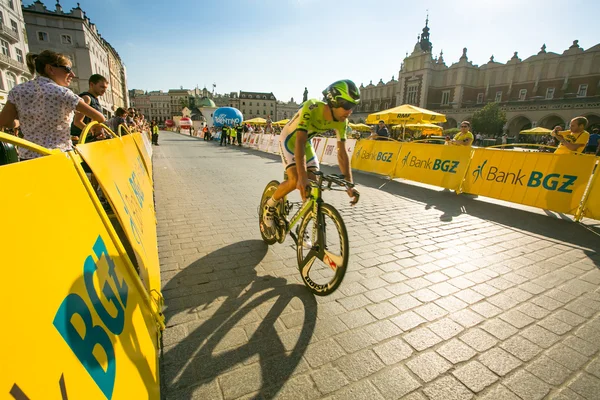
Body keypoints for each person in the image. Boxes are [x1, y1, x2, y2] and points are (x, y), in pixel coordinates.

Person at [262, 80, 360, 228]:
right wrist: (302, 177)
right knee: (296, 180)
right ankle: (269, 206)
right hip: (290, 140)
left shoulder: (342, 122)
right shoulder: (312, 107)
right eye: (347, 106)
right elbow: (299, 142)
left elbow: (342, 152)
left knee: (314, 183)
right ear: (333, 101)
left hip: (306, 143)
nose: (350, 111)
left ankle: (306, 223)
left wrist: (349, 184)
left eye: (353, 106)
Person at [0, 50, 105, 160]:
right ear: (50, 69)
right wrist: (95, 127)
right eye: (68, 69)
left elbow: (4, 122)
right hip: (58, 155)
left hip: (29, 157)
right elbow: (99, 117)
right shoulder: (63, 93)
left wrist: (23, 122)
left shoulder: (18, 91)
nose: (72, 75)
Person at [71, 74, 109, 143]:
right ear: (91, 84)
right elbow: (77, 122)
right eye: (102, 87)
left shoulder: (95, 99)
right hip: (84, 140)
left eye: (105, 88)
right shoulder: (86, 98)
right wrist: (91, 134)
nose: (104, 90)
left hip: (91, 140)